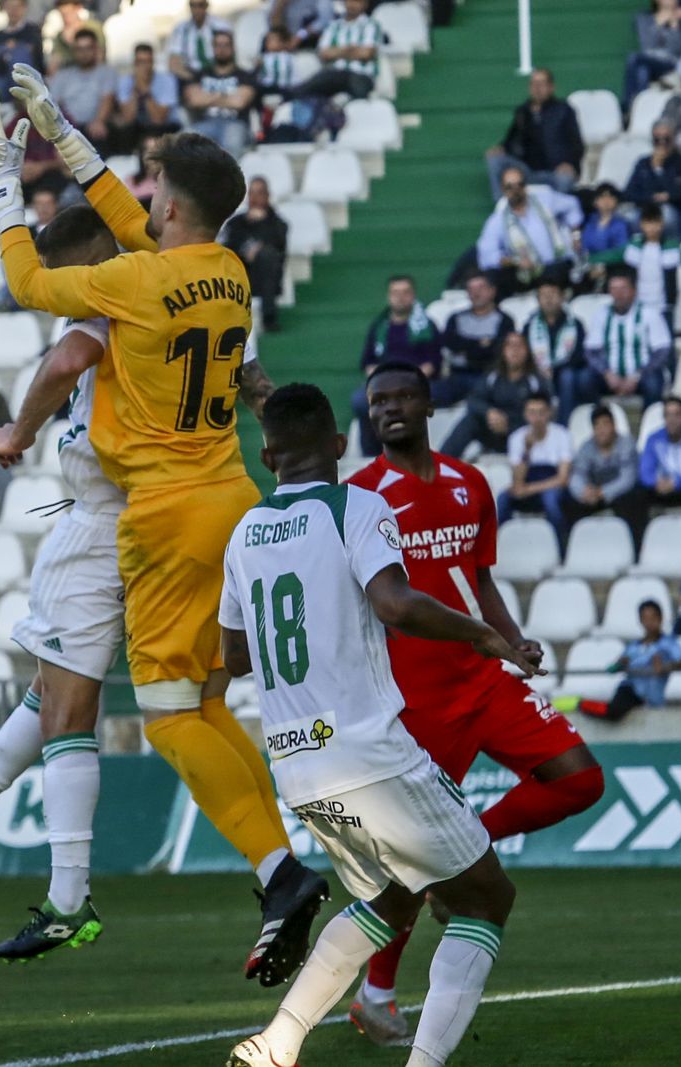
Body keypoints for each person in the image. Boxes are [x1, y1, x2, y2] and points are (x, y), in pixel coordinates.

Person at [0, 79, 327, 985]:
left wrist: (5, 178)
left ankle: (280, 871)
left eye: (153, 187)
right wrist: (62, 132)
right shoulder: (227, 271)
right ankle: (281, 866)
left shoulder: (131, 279)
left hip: (162, 516)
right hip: (232, 494)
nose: (144, 198)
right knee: (204, 703)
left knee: (165, 717)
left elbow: (28, 280)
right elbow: (129, 214)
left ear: (169, 201)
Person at [0, 204, 277, 960]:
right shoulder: (187, 296)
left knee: (70, 712)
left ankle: (70, 898)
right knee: (52, 691)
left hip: (100, 521)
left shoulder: (109, 302)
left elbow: (68, 359)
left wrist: (18, 430)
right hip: (163, 514)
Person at [222, 383, 532, 1067]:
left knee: (390, 900)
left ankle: (276, 1043)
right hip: (368, 752)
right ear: (338, 447)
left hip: (295, 765)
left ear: (267, 453)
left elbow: (235, 655)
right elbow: (393, 603)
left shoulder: (243, 531)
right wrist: (480, 633)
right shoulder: (356, 504)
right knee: (486, 898)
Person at [333, 361, 602, 1044]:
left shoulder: (469, 482)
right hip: (415, 695)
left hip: (484, 676)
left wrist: (512, 641)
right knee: (408, 859)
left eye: (400, 397)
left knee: (580, 776)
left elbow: (476, 577)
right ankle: (376, 995)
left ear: (427, 404)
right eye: (377, 402)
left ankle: (469, 840)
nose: (388, 409)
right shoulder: (360, 496)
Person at [590, 203, 681, 329]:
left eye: (656, 223)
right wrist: (590, 259)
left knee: (665, 340)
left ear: (662, 224)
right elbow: (612, 255)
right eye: (648, 223)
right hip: (639, 303)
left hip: (665, 305)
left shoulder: (671, 247)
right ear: (642, 225)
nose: (652, 228)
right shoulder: (634, 247)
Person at [354, 276, 441, 451]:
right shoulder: (379, 326)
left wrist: (407, 382)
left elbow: (433, 363)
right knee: (360, 401)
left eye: (405, 292)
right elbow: (368, 363)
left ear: (413, 295)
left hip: (416, 383)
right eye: (395, 292)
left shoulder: (427, 326)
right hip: (383, 383)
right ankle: (371, 456)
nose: (400, 297)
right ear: (388, 296)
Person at [475, 166, 581, 296]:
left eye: (520, 185)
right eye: (510, 187)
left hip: (558, 264)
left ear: (526, 186)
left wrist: (576, 235)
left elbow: (572, 205)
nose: (516, 190)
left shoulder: (545, 199)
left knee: (556, 272)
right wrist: (515, 261)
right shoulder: (498, 220)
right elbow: (487, 255)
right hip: (527, 273)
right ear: (503, 190)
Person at [439, 331, 545, 458]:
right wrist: (489, 412)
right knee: (470, 420)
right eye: (510, 346)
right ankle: (441, 463)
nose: (514, 350)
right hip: (494, 432)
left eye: (519, 346)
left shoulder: (536, 380)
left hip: (524, 435)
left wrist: (509, 425)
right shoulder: (493, 376)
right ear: (503, 351)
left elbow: (545, 413)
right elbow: (473, 400)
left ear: (527, 351)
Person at [485, 67, 584, 198]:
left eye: (541, 84)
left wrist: (571, 164)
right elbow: (511, 140)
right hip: (526, 170)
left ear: (551, 87)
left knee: (565, 178)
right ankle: (502, 208)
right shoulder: (523, 111)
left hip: (554, 172)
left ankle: (558, 217)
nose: (537, 88)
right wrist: (501, 148)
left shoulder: (564, 110)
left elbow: (577, 144)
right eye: (533, 84)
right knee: (494, 159)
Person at [560, 404, 647, 546]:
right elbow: (577, 475)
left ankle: (634, 547)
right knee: (568, 500)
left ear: (614, 426)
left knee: (635, 497)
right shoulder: (586, 447)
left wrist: (602, 492)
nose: (602, 430)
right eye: (597, 426)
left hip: (619, 493)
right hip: (593, 494)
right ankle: (572, 547)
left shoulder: (626, 444)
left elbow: (627, 479)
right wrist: (583, 491)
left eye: (606, 424)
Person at [589, 600, 681, 721]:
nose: (649, 623)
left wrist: (665, 667)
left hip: (653, 697)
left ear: (661, 618)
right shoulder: (633, 647)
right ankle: (582, 704)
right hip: (631, 691)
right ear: (641, 621)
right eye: (645, 618)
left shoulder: (668, 643)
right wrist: (620, 664)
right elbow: (613, 668)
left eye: (653, 618)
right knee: (614, 711)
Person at [589, 269, 674, 407]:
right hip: (609, 377)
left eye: (623, 289)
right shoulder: (602, 315)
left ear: (634, 291)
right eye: (614, 289)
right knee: (583, 379)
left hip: (643, 375)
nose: (618, 294)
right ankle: (597, 422)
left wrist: (637, 376)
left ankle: (649, 424)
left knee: (653, 383)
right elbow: (592, 351)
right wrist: (607, 374)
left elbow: (662, 351)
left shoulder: (649, 314)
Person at [497, 391, 571, 532]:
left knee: (551, 500)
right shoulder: (517, 438)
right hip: (527, 484)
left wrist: (530, 489)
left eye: (541, 413)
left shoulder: (562, 435)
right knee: (503, 498)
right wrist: (526, 451)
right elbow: (517, 482)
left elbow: (563, 479)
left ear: (549, 413)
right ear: (525, 414)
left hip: (551, 486)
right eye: (532, 413)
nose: (537, 418)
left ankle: (562, 546)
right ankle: (499, 545)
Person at [222, 177, 288, 332]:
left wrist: (261, 226)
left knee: (267, 256)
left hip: (265, 279)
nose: (255, 198)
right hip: (239, 274)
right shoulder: (236, 223)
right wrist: (247, 249)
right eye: (251, 193)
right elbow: (229, 244)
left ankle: (269, 317)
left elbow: (278, 245)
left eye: (259, 193)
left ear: (267, 196)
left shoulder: (278, 224)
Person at [524, 281, 594, 419]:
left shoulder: (575, 324)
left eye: (553, 294)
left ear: (562, 297)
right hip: (538, 371)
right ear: (538, 300)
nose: (548, 299)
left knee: (567, 376)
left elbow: (579, 355)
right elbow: (524, 353)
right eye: (544, 295)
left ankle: (564, 424)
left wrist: (554, 369)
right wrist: (538, 368)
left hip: (566, 372)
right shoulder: (530, 326)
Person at [440, 273, 514, 400]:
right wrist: (480, 344)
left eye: (481, 288)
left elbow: (498, 350)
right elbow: (451, 344)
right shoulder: (456, 318)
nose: (476, 293)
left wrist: (466, 348)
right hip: (457, 376)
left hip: (490, 376)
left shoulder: (504, 320)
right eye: (471, 289)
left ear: (492, 291)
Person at [288, 0, 382, 100]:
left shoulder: (371, 24)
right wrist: (351, 49)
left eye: (357, 2)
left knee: (358, 93)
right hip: (334, 74)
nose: (352, 5)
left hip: (360, 74)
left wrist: (337, 51)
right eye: (350, 1)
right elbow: (323, 54)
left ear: (365, 4)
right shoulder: (333, 26)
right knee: (305, 92)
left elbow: (366, 53)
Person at [106, 44, 178, 156]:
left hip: (164, 128)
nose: (144, 66)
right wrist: (135, 90)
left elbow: (159, 119)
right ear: (134, 64)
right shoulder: (125, 81)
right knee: (122, 130)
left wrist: (144, 90)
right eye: (140, 62)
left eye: (147, 61)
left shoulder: (167, 80)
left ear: (153, 62)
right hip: (137, 128)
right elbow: (128, 118)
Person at [625, 119, 681, 235]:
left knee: (667, 216)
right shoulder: (643, 163)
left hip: (671, 209)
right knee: (629, 217)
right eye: (657, 140)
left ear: (674, 138)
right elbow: (629, 192)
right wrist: (652, 196)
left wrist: (660, 168)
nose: (662, 143)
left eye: (666, 139)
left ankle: (670, 248)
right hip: (645, 206)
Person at [48, 28, 114, 145]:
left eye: (88, 48)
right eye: (79, 49)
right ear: (74, 51)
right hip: (67, 129)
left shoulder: (107, 73)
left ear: (96, 49)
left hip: (94, 128)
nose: (84, 53)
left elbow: (107, 99)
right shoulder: (63, 75)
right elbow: (53, 103)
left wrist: (99, 121)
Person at [624, 0, 681, 107]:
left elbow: (677, 49)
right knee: (642, 70)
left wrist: (674, 25)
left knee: (633, 58)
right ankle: (641, 107)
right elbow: (647, 45)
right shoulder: (643, 18)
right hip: (648, 61)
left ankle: (628, 105)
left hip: (671, 63)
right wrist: (658, 24)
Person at [0, 0, 46, 92]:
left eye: (17, 6)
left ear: (24, 8)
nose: (14, 11)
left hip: (28, 84)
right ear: (4, 7)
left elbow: (35, 56)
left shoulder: (32, 31)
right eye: (10, 6)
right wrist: (2, 52)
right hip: (1, 83)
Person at [165, 0, 233, 80]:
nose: (196, 9)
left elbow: (230, 55)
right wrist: (191, 79)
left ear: (206, 6)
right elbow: (173, 61)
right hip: (190, 74)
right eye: (192, 5)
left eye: (200, 5)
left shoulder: (221, 26)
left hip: (217, 72)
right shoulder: (181, 30)